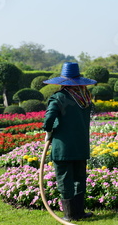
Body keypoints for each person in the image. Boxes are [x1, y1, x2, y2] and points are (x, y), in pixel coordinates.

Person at [42, 62, 96, 221]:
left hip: (63, 147)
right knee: (79, 179)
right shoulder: (86, 97)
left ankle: (69, 214)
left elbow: (49, 117)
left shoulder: (59, 97)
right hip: (81, 145)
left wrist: (48, 131)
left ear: (62, 81)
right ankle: (79, 212)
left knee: (65, 179)